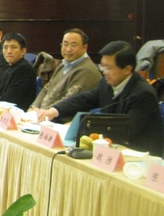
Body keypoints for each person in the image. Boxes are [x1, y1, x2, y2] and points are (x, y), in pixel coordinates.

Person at [36, 41, 164, 154]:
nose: (104, 71)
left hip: (141, 155)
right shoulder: (106, 83)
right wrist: (55, 110)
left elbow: (128, 131)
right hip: (113, 148)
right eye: (102, 66)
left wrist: (89, 127)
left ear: (126, 69)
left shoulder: (143, 94)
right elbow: (85, 99)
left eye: (109, 68)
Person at [29, 29, 101, 113]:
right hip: (43, 114)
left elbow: (68, 102)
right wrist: (35, 107)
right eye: (65, 44)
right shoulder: (64, 64)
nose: (68, 49)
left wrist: (42, 112)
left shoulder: (86, 71)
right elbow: (46, 88)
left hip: (62, 118)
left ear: (85, 47)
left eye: (73, 45)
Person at [0, 33, 37, 110]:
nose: (9, 51)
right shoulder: (10, 67)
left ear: (23, 51)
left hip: (17, 112)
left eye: (13, 47)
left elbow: (10, 98)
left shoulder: (24, 69)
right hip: (4, 108)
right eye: (5, 47)